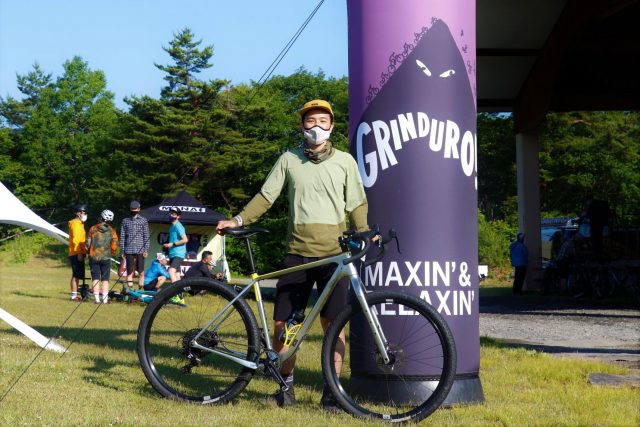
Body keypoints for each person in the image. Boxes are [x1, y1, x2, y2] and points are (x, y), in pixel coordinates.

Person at [216, 99, 369, 411]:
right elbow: (266, 196)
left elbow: (356, 203)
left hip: (334, 257)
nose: (317, 126)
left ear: (332, 126)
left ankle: (332, 393)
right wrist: (238, 220)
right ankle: (285, 388)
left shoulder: (345, 161)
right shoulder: (289, 159)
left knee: (335, 327)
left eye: (323, 121)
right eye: (311, 121)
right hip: (297, 255)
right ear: (302, 126)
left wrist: (364, 231)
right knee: (283, 328)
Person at [86, 210, 118, 304]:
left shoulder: (93, 228)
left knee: (95, 278)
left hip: (94, 256)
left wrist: (88, 252)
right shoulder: (112, 231)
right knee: (105, 279)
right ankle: (105, 299)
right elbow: (114, 245)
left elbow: (88, 243)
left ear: (101, 217)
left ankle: (96, 299)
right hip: (106, 257)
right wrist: (112, 253)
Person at [120, 200, 150, 291]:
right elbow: (122, 236)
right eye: (132, 209)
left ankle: (141, 290)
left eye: (135, 209)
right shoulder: (125, 221)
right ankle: (130, 291)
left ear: (139, 209)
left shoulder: (143, 220)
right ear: (130, 209)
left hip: (140, 250)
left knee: (141, 272)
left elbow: (146, 236)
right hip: (128, 250)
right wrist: (123, 250)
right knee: (129, 272)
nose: (133, 210)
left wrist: (146, 249)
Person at [68, 204, 88, 301]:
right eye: (83, 212)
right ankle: (73, 296)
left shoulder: (80, 223)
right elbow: (76, 240)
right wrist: (79, 253)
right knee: (76, 275)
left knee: (78, 275)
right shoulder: (75, 224)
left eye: (85, 212)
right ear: (78, 213)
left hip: (80, 252)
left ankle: (75, 294)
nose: (85, 214)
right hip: (76, 253)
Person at [163, 207, 188, 283]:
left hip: (178, 253)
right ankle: (180, 290)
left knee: (171, 271)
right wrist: (168, 245)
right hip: (172, 253)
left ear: (178, 216)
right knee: (177, 275)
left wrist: (172, 244)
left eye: (173, 214)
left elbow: (185, 240)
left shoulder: (178, 226)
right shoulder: (172, 226)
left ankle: (174, 290)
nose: (171, 215)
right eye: (170, 213)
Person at [586, 195, 611, 260]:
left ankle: (597, 254)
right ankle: (601, 253)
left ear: (589, 200)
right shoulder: (602, 204)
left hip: (595, 225)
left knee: (595, 240)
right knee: (600, 239)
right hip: (603, 225)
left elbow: (589, 216)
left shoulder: (592, 206)